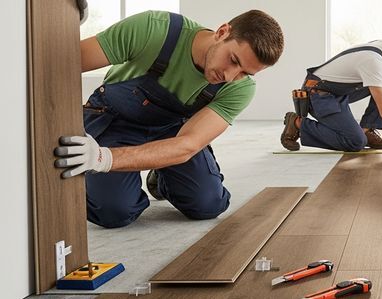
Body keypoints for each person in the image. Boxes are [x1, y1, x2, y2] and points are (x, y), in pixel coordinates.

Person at [53, 10, 285, 228]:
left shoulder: (240, 89)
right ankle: (133, 179)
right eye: (233, 60)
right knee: (114, 212)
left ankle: (161, 176)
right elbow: (60, 64)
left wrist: (103, 159)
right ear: (222, 32)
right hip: (114, 120)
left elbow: (187, 145)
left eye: (245, 72)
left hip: (172, 132)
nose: (230, 76)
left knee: (208, 204)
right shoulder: (154, 30)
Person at [280, 26, 382, 154]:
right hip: (318, 94)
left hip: (338, 93)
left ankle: (367, 129)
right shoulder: (374, 60)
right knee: (355, 142)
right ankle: (298, 123)